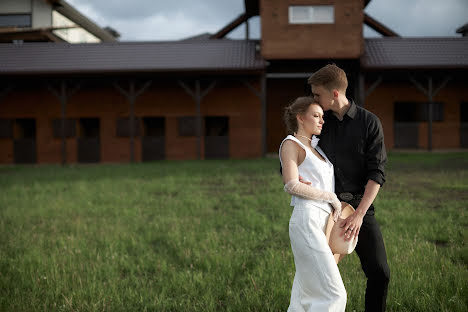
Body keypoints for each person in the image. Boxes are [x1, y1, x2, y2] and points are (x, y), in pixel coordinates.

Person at [308, 64, 390, 312]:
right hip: (328, 210)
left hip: (360, 209)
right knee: (322, 275)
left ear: (334, 93)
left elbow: (377, 174)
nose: (314, 100)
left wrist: (359, 214)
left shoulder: (369, 123)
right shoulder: (321, 123)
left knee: (380, 273)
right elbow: (303, 153)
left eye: (317, 94)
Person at [279, 96, 347, 312]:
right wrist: (331, 197)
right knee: (334, 294)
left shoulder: (319, 150)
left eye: (322, 117)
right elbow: (291, 184)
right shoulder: (291, 144)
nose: (321, 121)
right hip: (307, 220)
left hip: (324, 222)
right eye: (316, 116)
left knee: (303, 294)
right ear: (300, 118)